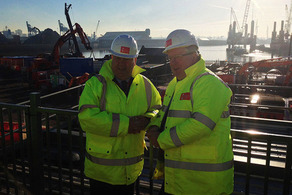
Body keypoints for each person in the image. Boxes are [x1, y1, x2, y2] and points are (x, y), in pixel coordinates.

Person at [146, 29, 234, 195]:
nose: (173, 62)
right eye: (170, 58)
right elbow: (164, 113)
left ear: (194, 54)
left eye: (178, 57)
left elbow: (201, 125)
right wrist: (153, 126)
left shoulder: (209, 83)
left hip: (204, 185)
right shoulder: (176, 83)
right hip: (177, 179)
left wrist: (161, 139)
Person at [78, 34, 161, 195]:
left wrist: (148, 119)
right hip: (101, 173)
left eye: (127, 60)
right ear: (111, 58)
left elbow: (158, 107)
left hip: (131, 171)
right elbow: (86, 118)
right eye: (118, 59)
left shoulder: (145, 84)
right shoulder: (95, 84)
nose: (122, 65)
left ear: (135, 61)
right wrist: (127, 125)